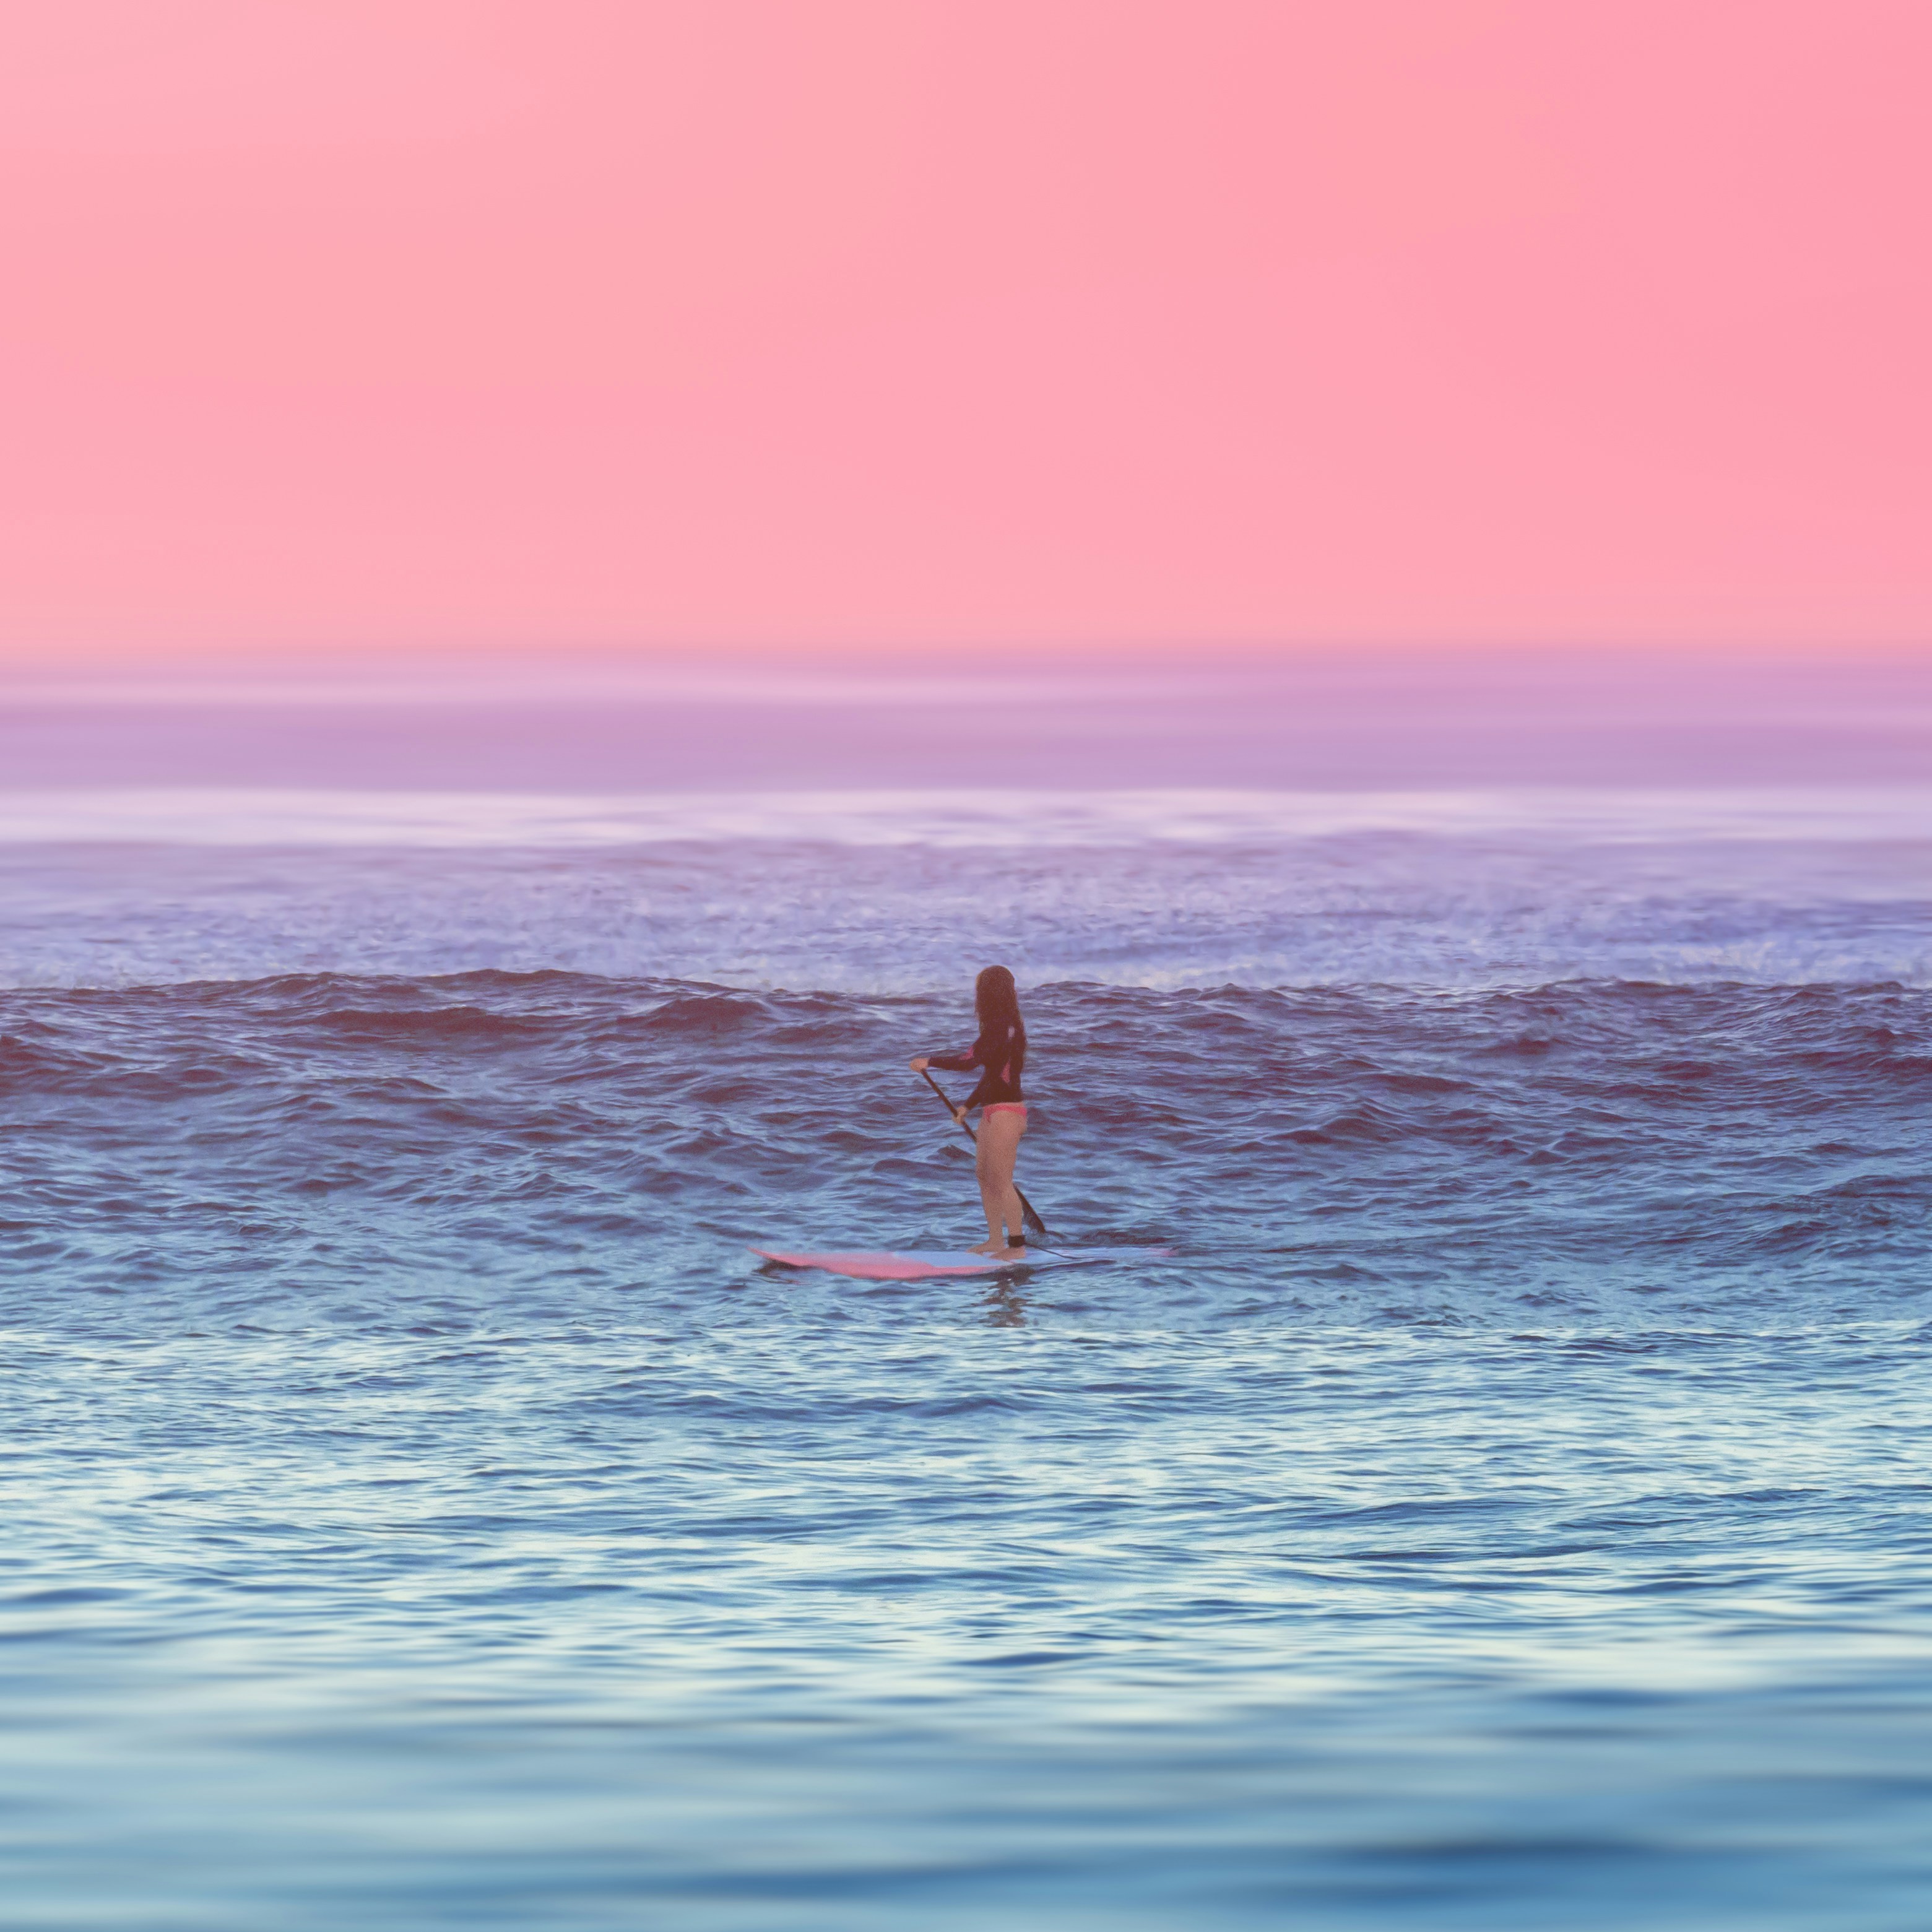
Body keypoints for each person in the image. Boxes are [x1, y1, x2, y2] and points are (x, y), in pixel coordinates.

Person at [909, 965, 1030, 1257]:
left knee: (1001, 1180)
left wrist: (931, 1060)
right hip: (992, 1111)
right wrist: (968, 1106)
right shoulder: (1001, 1027)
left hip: (1007, 1112)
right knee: (984, 1176)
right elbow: (990, 1075)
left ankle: (1017, 1247)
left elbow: (968, 1061)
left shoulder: (1003, 1028)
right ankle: (995, 1241)